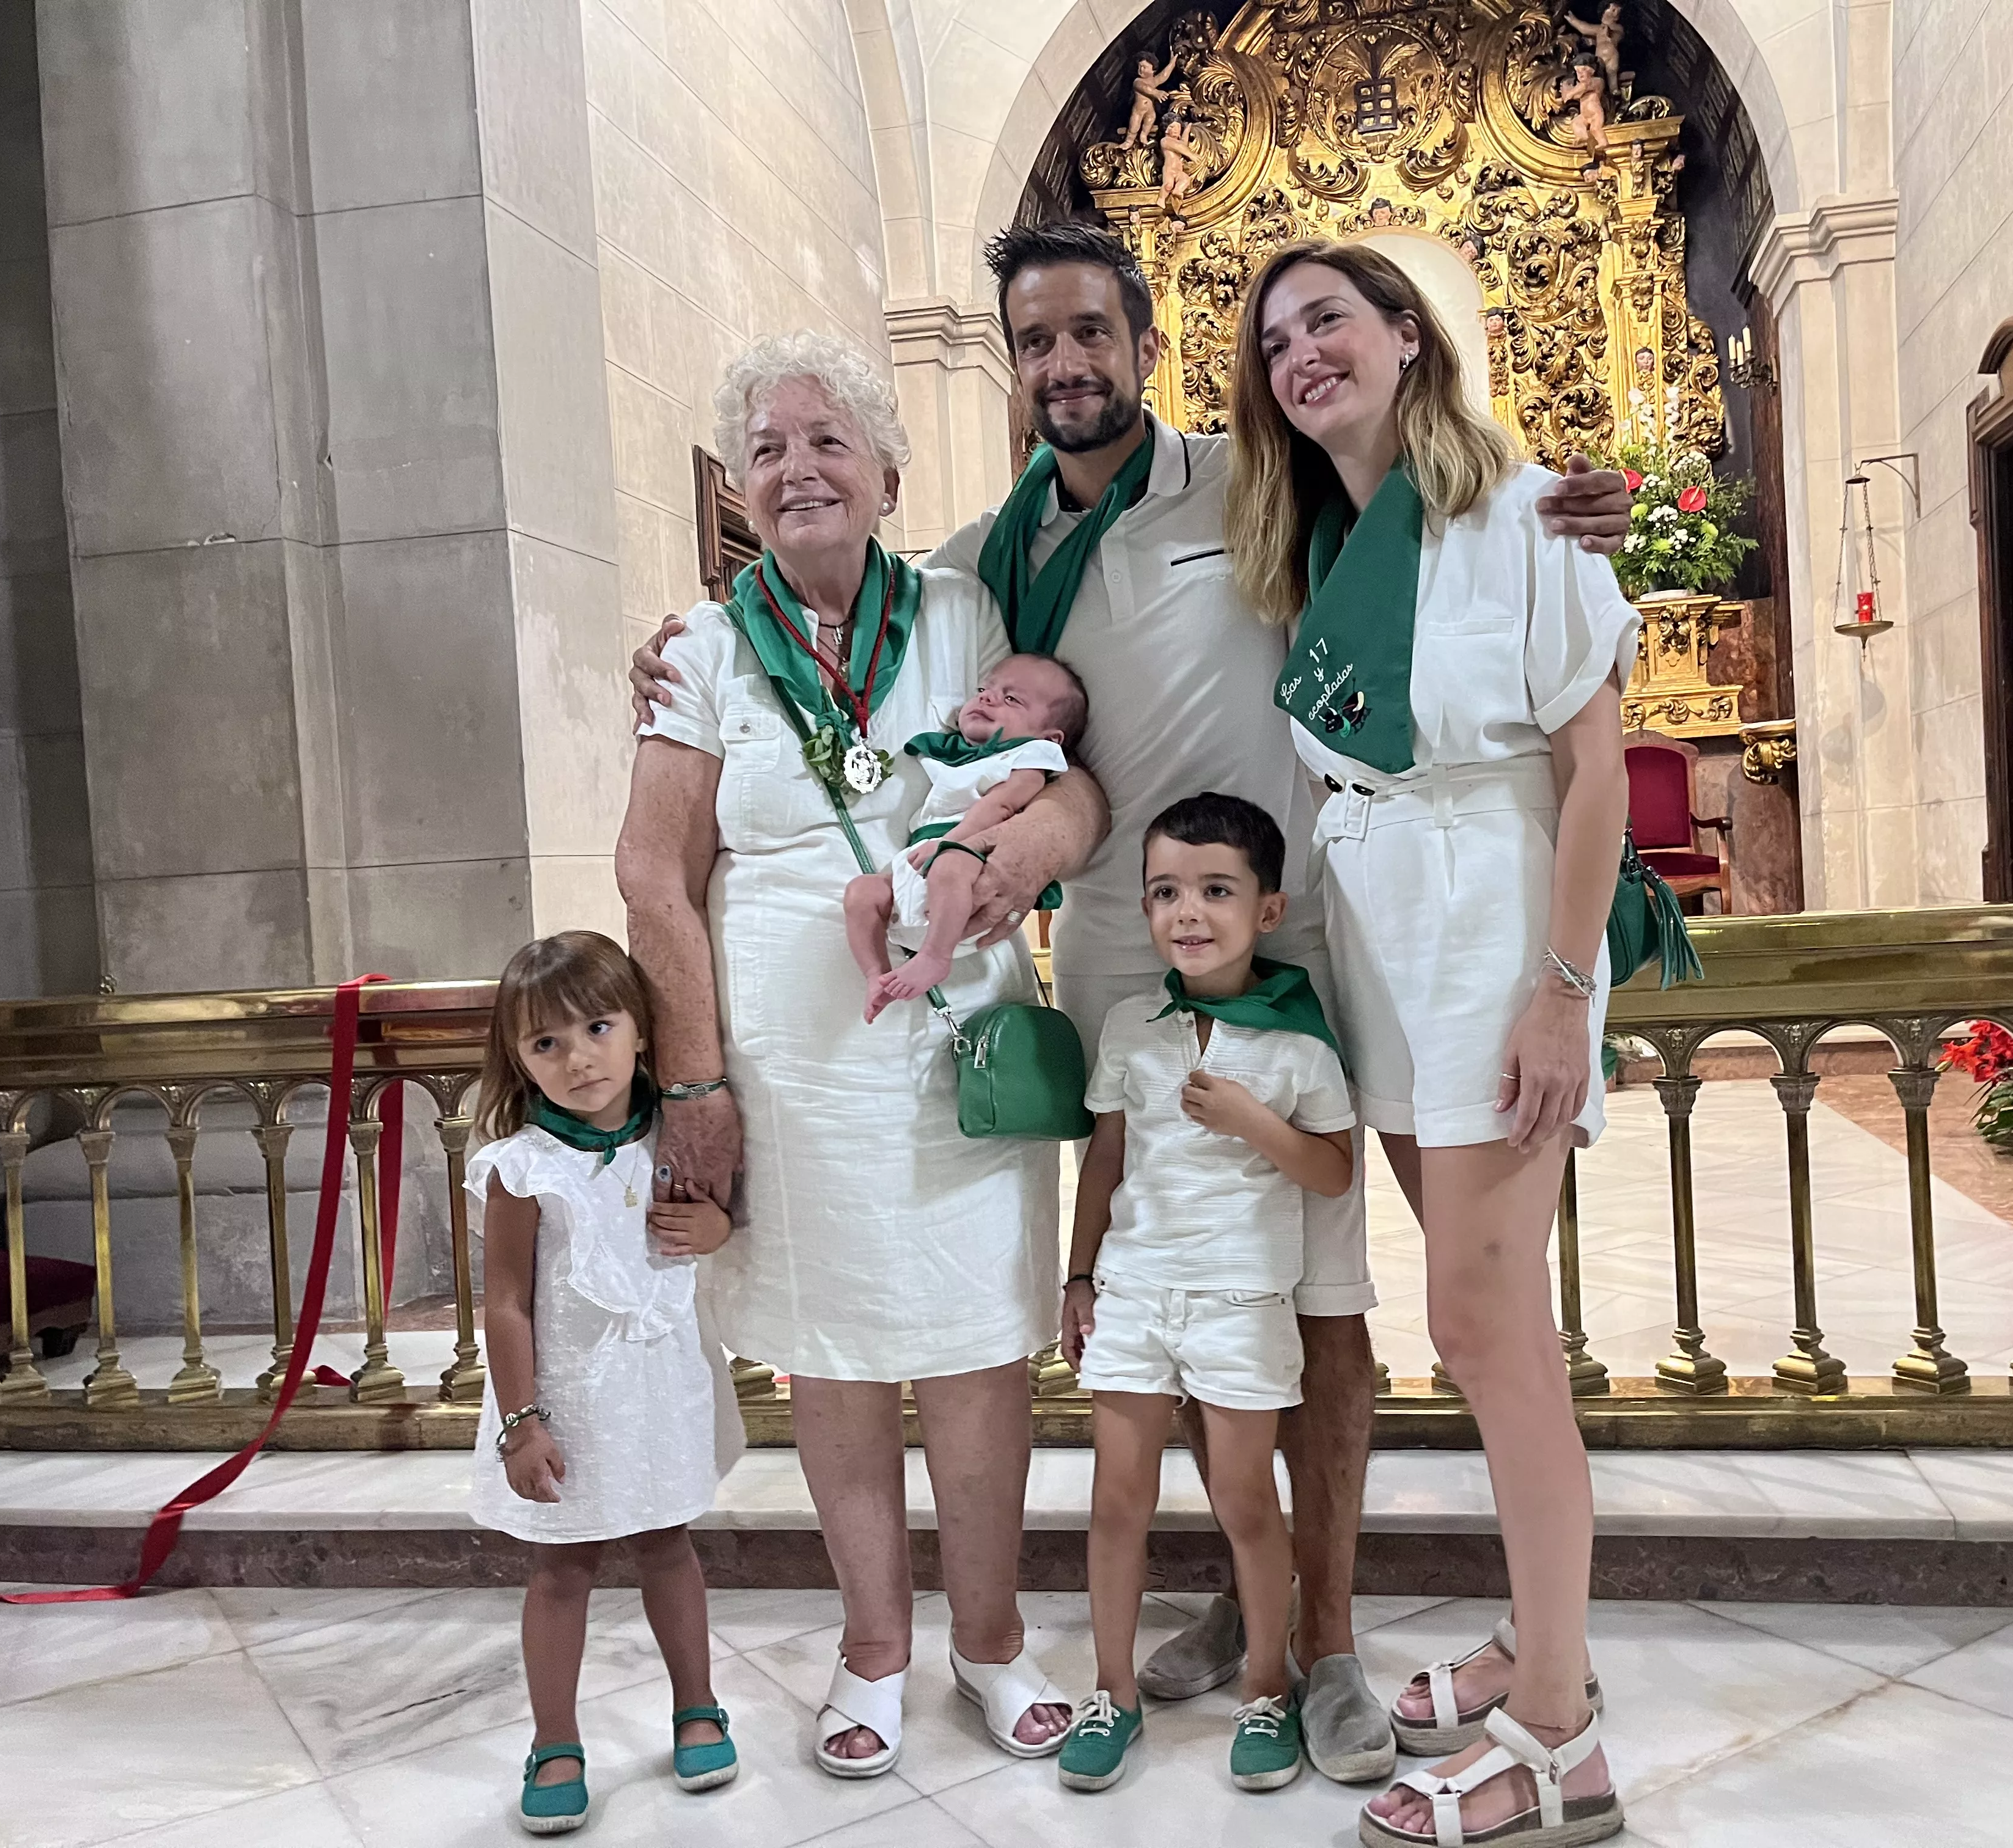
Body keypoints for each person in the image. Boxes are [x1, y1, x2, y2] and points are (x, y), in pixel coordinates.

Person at [631, 222, 1630, 1787]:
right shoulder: (980, 559)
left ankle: (1336, 1640)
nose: (1066, 366)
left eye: (1092, 333)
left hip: (1295, 930)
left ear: (1145, 345)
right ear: (1011, 365)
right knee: (1166, 1290)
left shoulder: (1252, 478)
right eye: (1036, 342)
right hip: (1107, 955)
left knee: (1314, 1293)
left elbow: (1436, 522)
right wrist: (681, 644)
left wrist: (1566, 501)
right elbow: (852, 626)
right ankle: (1250, 1611)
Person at [618, 331, 1109, 1782]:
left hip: (958, 1037)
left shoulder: (966, 614)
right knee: (831, 1358)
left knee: (973, 1348)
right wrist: (696, 1084)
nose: (797, 469)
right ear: (741, 490)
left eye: (828, 442)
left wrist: (1030, 855)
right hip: (787, 1056)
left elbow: (1081, 787)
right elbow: (655, 875)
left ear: (890, 475)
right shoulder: (702, 649)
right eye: (767, 450)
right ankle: (877, 1647)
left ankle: (995, 1638)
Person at [1235, 237, 1634, 1846]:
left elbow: (1595, 776)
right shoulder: (1317, 548)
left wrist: (1560, 985)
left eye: (1329, 319)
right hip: (1380, 943)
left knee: (1483, 1330)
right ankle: (1546, 1647)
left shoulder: (1530, 518)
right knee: (1480, 1316)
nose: (1302, 353)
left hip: (1493, 932)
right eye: (1273, 343)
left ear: (1410, 337)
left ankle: (1557, 1737)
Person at [1056, 793, 1357, 1797]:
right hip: (1136, 1291)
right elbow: (1105, 1157)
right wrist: (1080, 1272)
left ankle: (1267, 1685)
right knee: (1114, 1499)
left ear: (1267, 909)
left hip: (1239, 1299)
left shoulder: (1296, 1041)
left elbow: (1329, 1171)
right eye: (1166, 892)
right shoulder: (1132, 1024)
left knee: (1243, 1499)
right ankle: (1112, 1691)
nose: (1189, 911)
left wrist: (1248, 1118)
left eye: (1216, 890)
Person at [468, 931, 742, 1836]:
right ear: (517, 1058)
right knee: (562, 1565)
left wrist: (716, 1232)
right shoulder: (523, 1166)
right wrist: (522, 1421)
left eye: (597, 1027)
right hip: (568, 1396)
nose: (579, 1059)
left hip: (660, 1382)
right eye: (547, 1043)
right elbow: (506, 1302)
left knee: (669, 1544)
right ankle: (555, 1740)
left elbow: (721, 1221)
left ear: (641, 1030)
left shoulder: (677, 1132)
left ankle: (697, 1705)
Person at [844, 651, 1088, 1019]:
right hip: (924, 858)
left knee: (950, 867)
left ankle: (935, 957)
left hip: (972, 861)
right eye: (983, 689)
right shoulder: (959, 754)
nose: (987, 697)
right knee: (863, 892)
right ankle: (876, 974)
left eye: (1011, 699)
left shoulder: (1028, 758)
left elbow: (1001, 807)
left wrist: (954, 842)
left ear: (1049, 737)